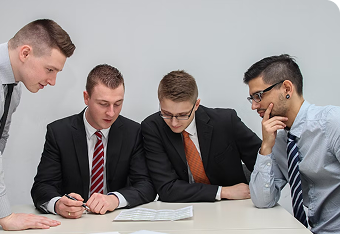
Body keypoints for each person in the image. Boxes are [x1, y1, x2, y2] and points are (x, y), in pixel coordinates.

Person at [0, 19, 75, 230]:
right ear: (25, 53)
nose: (52, 81)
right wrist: (7, 217)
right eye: (50, 69)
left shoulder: (14, 89)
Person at [31, 64, 156, 219]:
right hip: (73, 223)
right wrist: (58, 204)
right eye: (103, 104)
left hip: (114, 220)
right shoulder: (59, 133)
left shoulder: (133, 132)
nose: (111, 112)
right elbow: (42, 187)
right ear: (86, 98)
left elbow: (146, 186)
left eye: (118, 104)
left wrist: (114, 199)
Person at [244, 54, 340, 234]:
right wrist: (265, 147)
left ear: (286, 88)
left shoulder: (332, 123)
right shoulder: (280, 141)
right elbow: (263, 201)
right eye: (252, 99)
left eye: (258, 96)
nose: (254, 106)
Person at [141, 70, 261, 202]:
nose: (174, 122)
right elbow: (167, 188)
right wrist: (223, 191)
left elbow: (263, 164)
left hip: (233, 207)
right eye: (166, 113)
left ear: (196, 105)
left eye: (182, 115)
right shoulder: (152, 128)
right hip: (182, 208)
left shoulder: (226, 121)